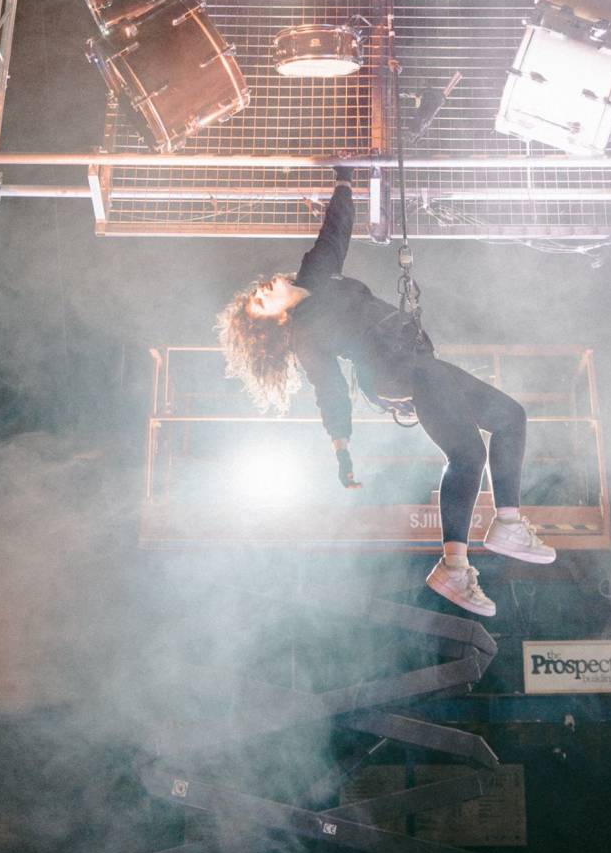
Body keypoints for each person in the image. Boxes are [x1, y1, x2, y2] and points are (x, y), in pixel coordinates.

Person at [217, 166, 555, 616]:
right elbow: (329, 389)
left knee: (505, 422)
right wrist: (342, 449)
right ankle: (489, 538)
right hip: (392, 378)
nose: (261, 291)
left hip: (416, 363)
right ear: (277, 320)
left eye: (257, 292)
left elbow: (334, 233)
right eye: (260, 303)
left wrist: (344, 181)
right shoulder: (304, 336)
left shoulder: (315, 275)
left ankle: (467, 556)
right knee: (465, 443)